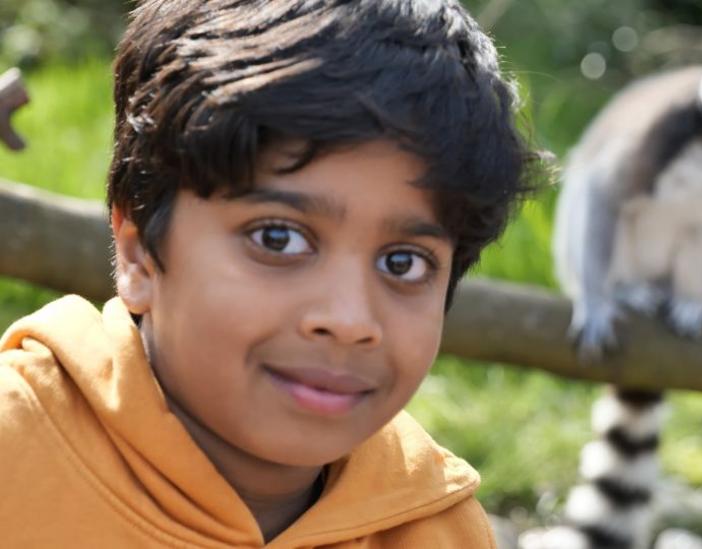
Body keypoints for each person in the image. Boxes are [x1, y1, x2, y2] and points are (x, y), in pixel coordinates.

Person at [0, 0, 536, 546]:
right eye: (277, 239)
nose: (348, 319)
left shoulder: (438, 528)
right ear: (138, 254)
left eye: (403, 262)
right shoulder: (14, 456)